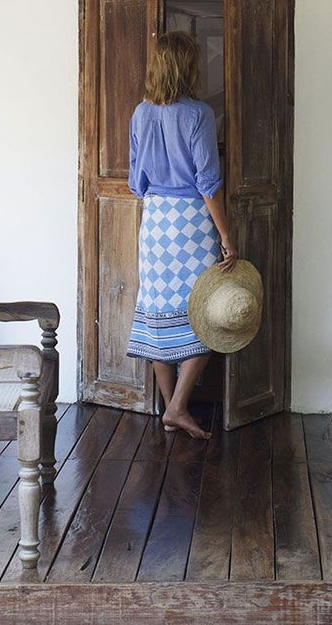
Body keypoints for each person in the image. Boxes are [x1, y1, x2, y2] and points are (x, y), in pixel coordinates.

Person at [125, 31, 237, 440]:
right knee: (205, 316)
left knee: (158, 315)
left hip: (154, 221)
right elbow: (208, 182)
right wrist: (225, 234)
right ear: (188, 67)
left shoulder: (140, 113)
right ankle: (176, 409)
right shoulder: (198, 114)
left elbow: (136, 183)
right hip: (190, 221)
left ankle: (172, 409)